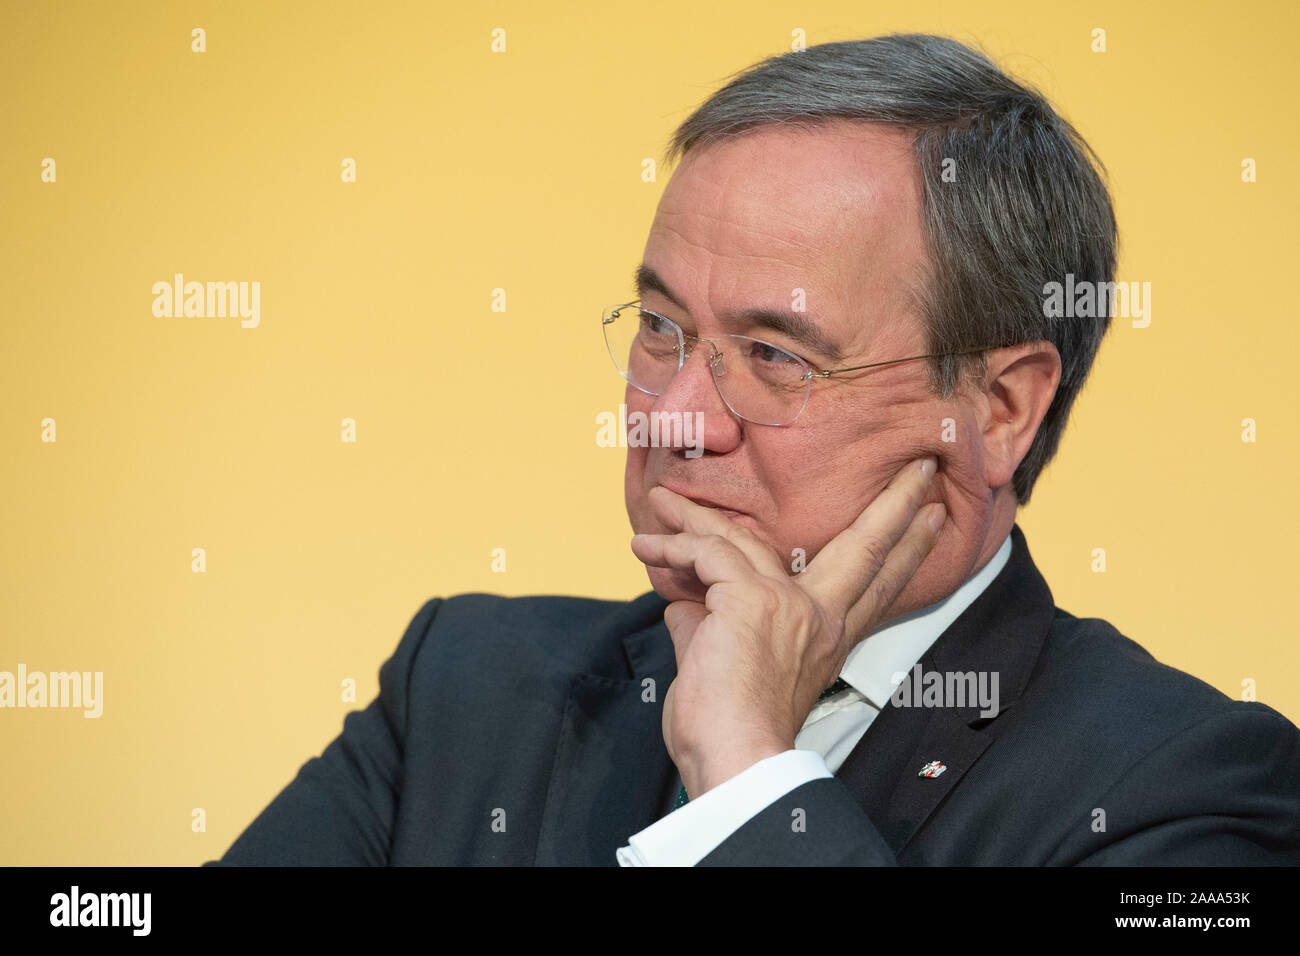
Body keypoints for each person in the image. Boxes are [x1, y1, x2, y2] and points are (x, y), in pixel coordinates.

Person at [206, 33, 1300, 866]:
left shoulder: (1189, 787)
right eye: (660, 328)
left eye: (775, 354)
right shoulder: (466, 687)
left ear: (999, 408)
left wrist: (744, 768)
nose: (675, 413)